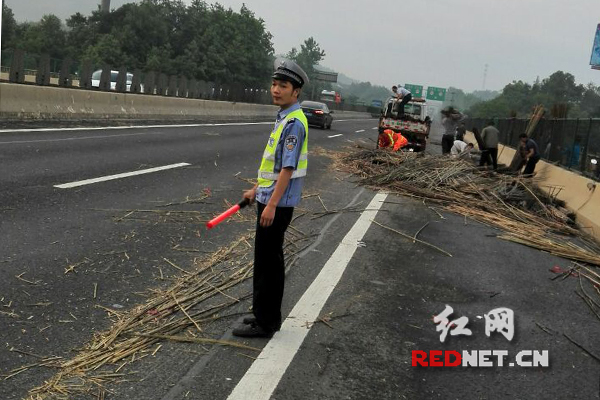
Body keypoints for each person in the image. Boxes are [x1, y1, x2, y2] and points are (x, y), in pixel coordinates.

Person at [233, 58, 309, 338]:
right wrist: (257, 190)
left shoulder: (294, 123)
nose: (276, 89)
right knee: (265, 259)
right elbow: (274, 167)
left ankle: (267, 321)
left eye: (283, 85)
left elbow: (288, 169)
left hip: (278, 203)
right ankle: (262, 314)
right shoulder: (285, 117)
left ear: (296, 91)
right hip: (270, 197)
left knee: (269, 261)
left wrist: (272, 203)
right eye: (274, 84)